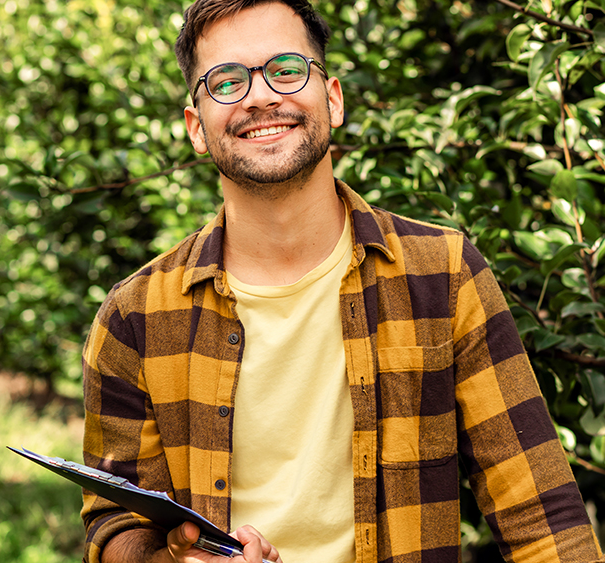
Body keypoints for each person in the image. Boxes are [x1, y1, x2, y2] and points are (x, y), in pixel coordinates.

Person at [80, 1, 605, 563]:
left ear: (332, 97)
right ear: (196, 128)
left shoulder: (444, 275)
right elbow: (115, 523)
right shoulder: (135, 316)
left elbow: (541, 517)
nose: (259, 97)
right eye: (227, 81)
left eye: (285, 70)